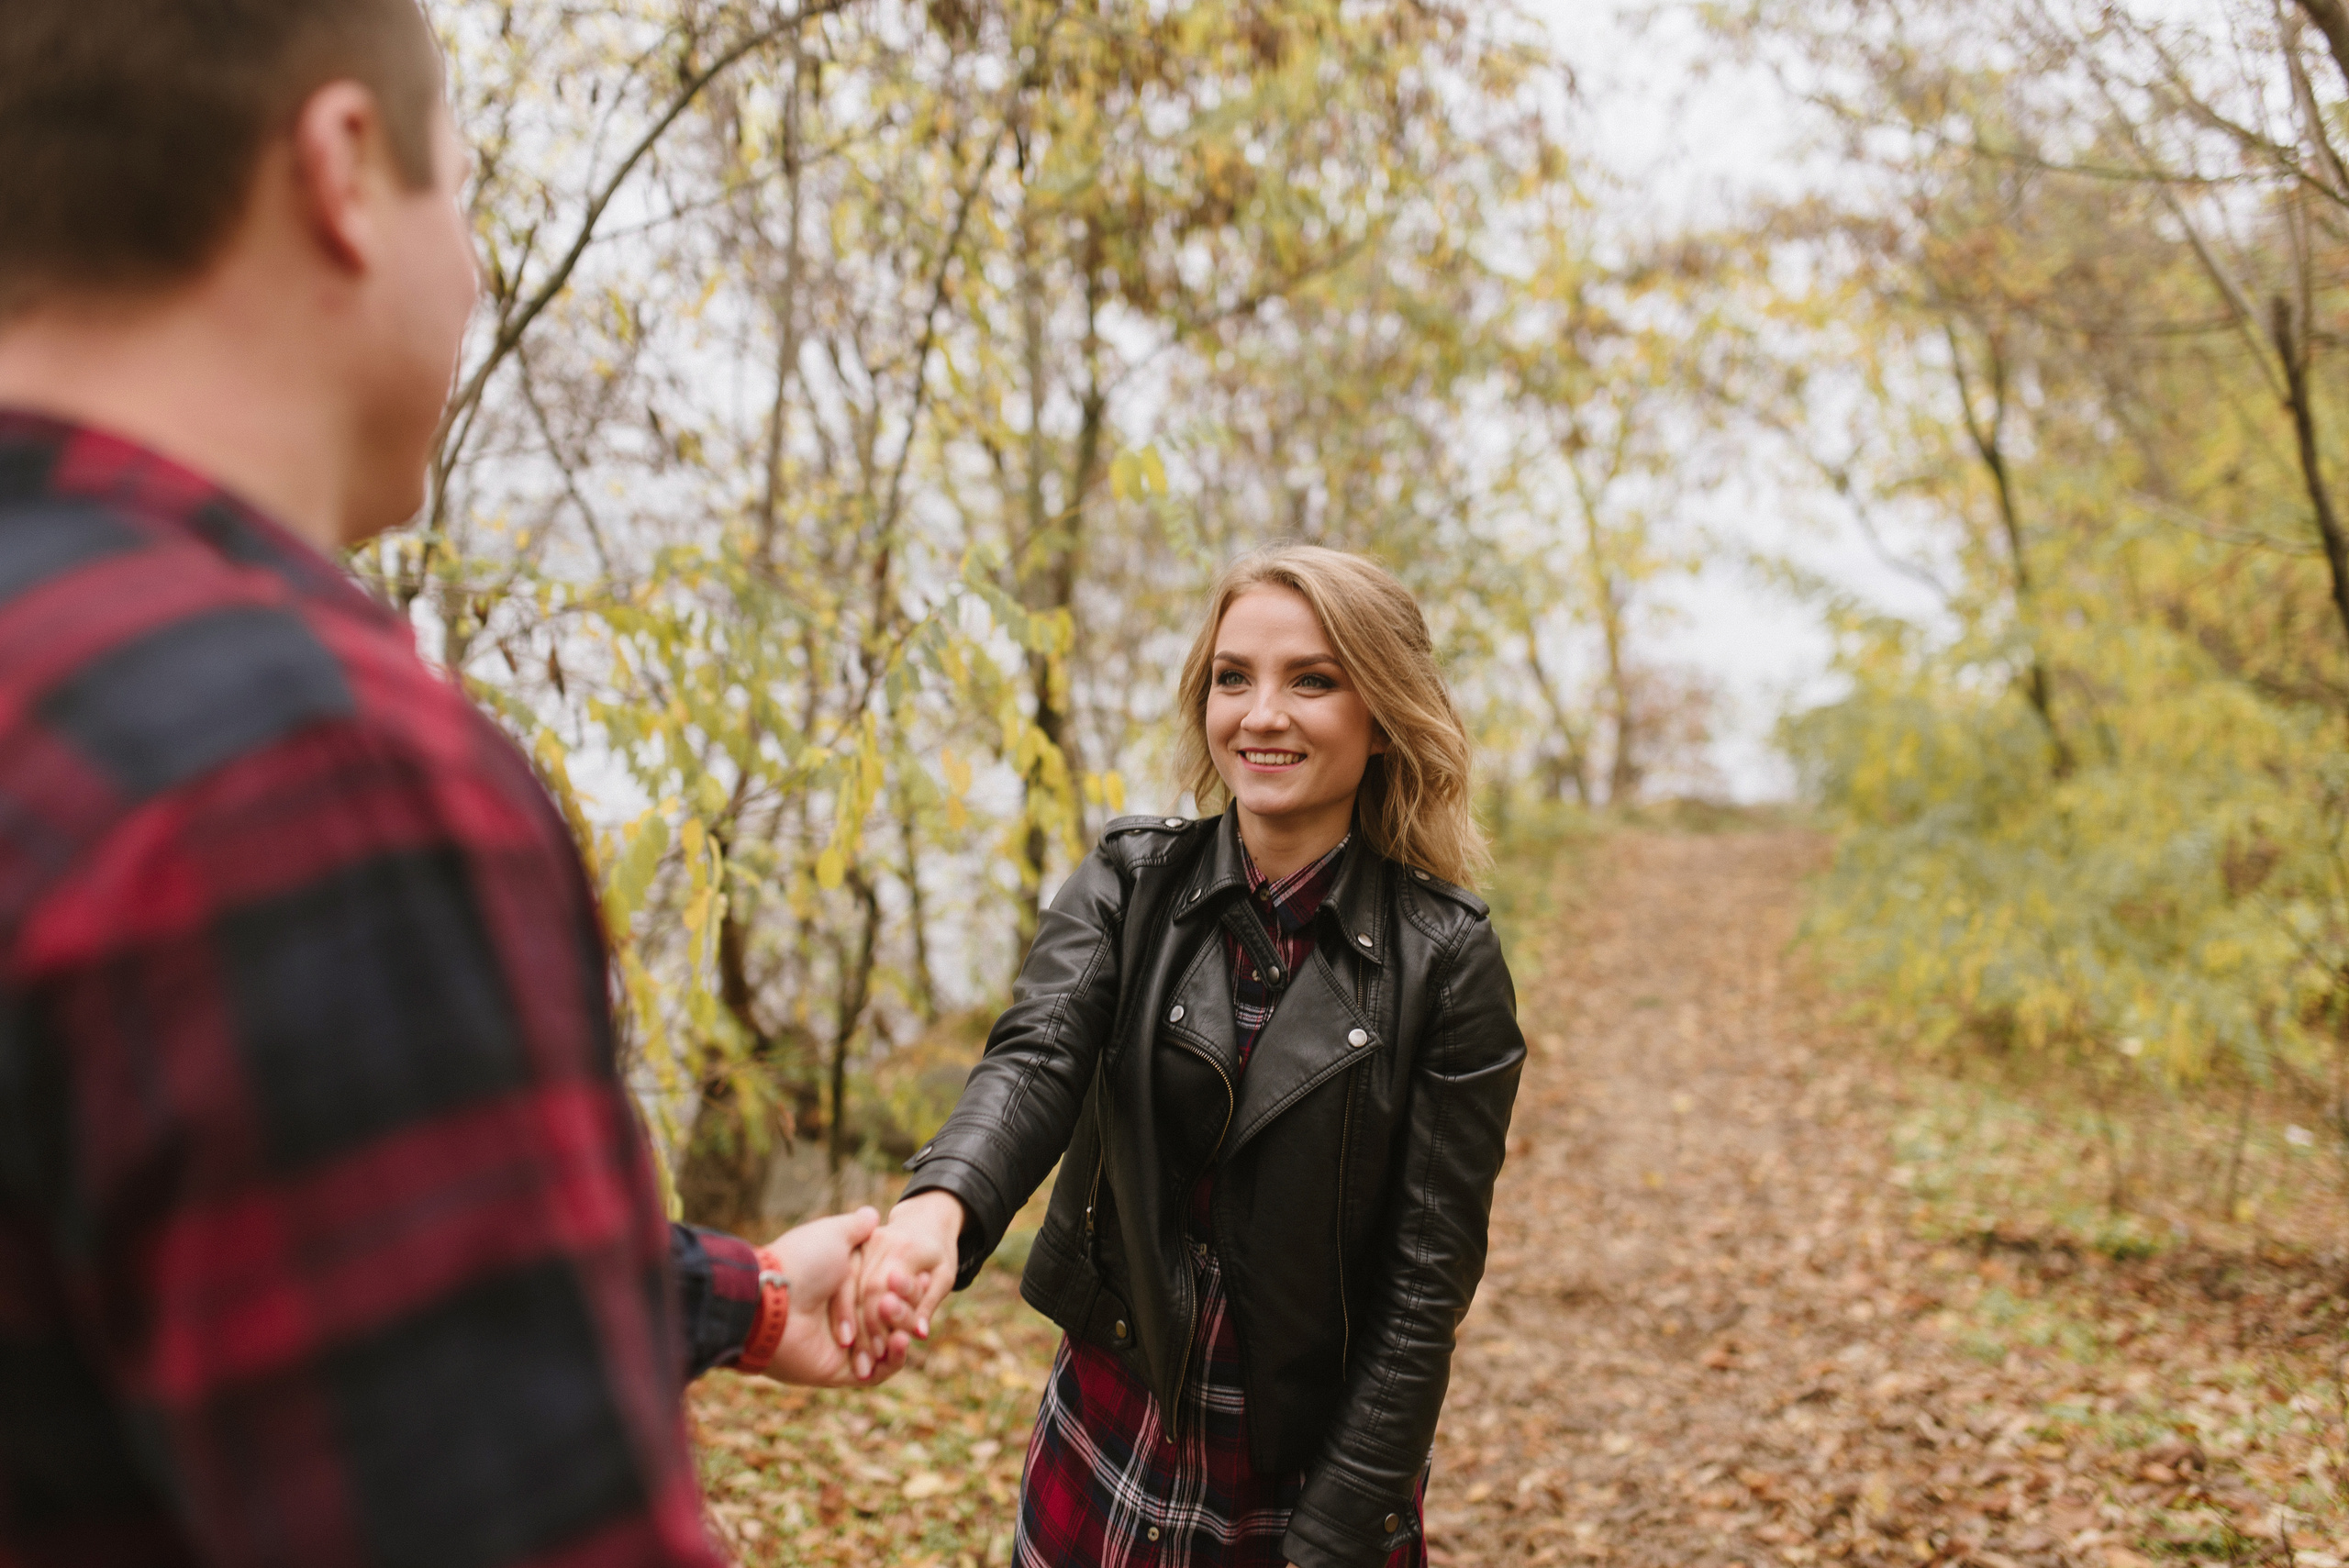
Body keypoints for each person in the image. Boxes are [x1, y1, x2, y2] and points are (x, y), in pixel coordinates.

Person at [0, 3, 906, 1564]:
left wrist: (737, 1294)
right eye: (467, 192)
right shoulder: (299, 767)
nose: (477, 264)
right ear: (344, 171)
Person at [852, 545, 1528, 1568]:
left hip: (1304, 1473)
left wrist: (1340, 1522)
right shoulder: (1133, 882)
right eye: (1231, 676)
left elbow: (1426, 1279)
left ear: (1382, 711)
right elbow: (1036, 1058)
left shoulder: (1447, 960)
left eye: (1312, 678)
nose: (1260, 713)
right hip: (1111, 1432)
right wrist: (936, 1207)